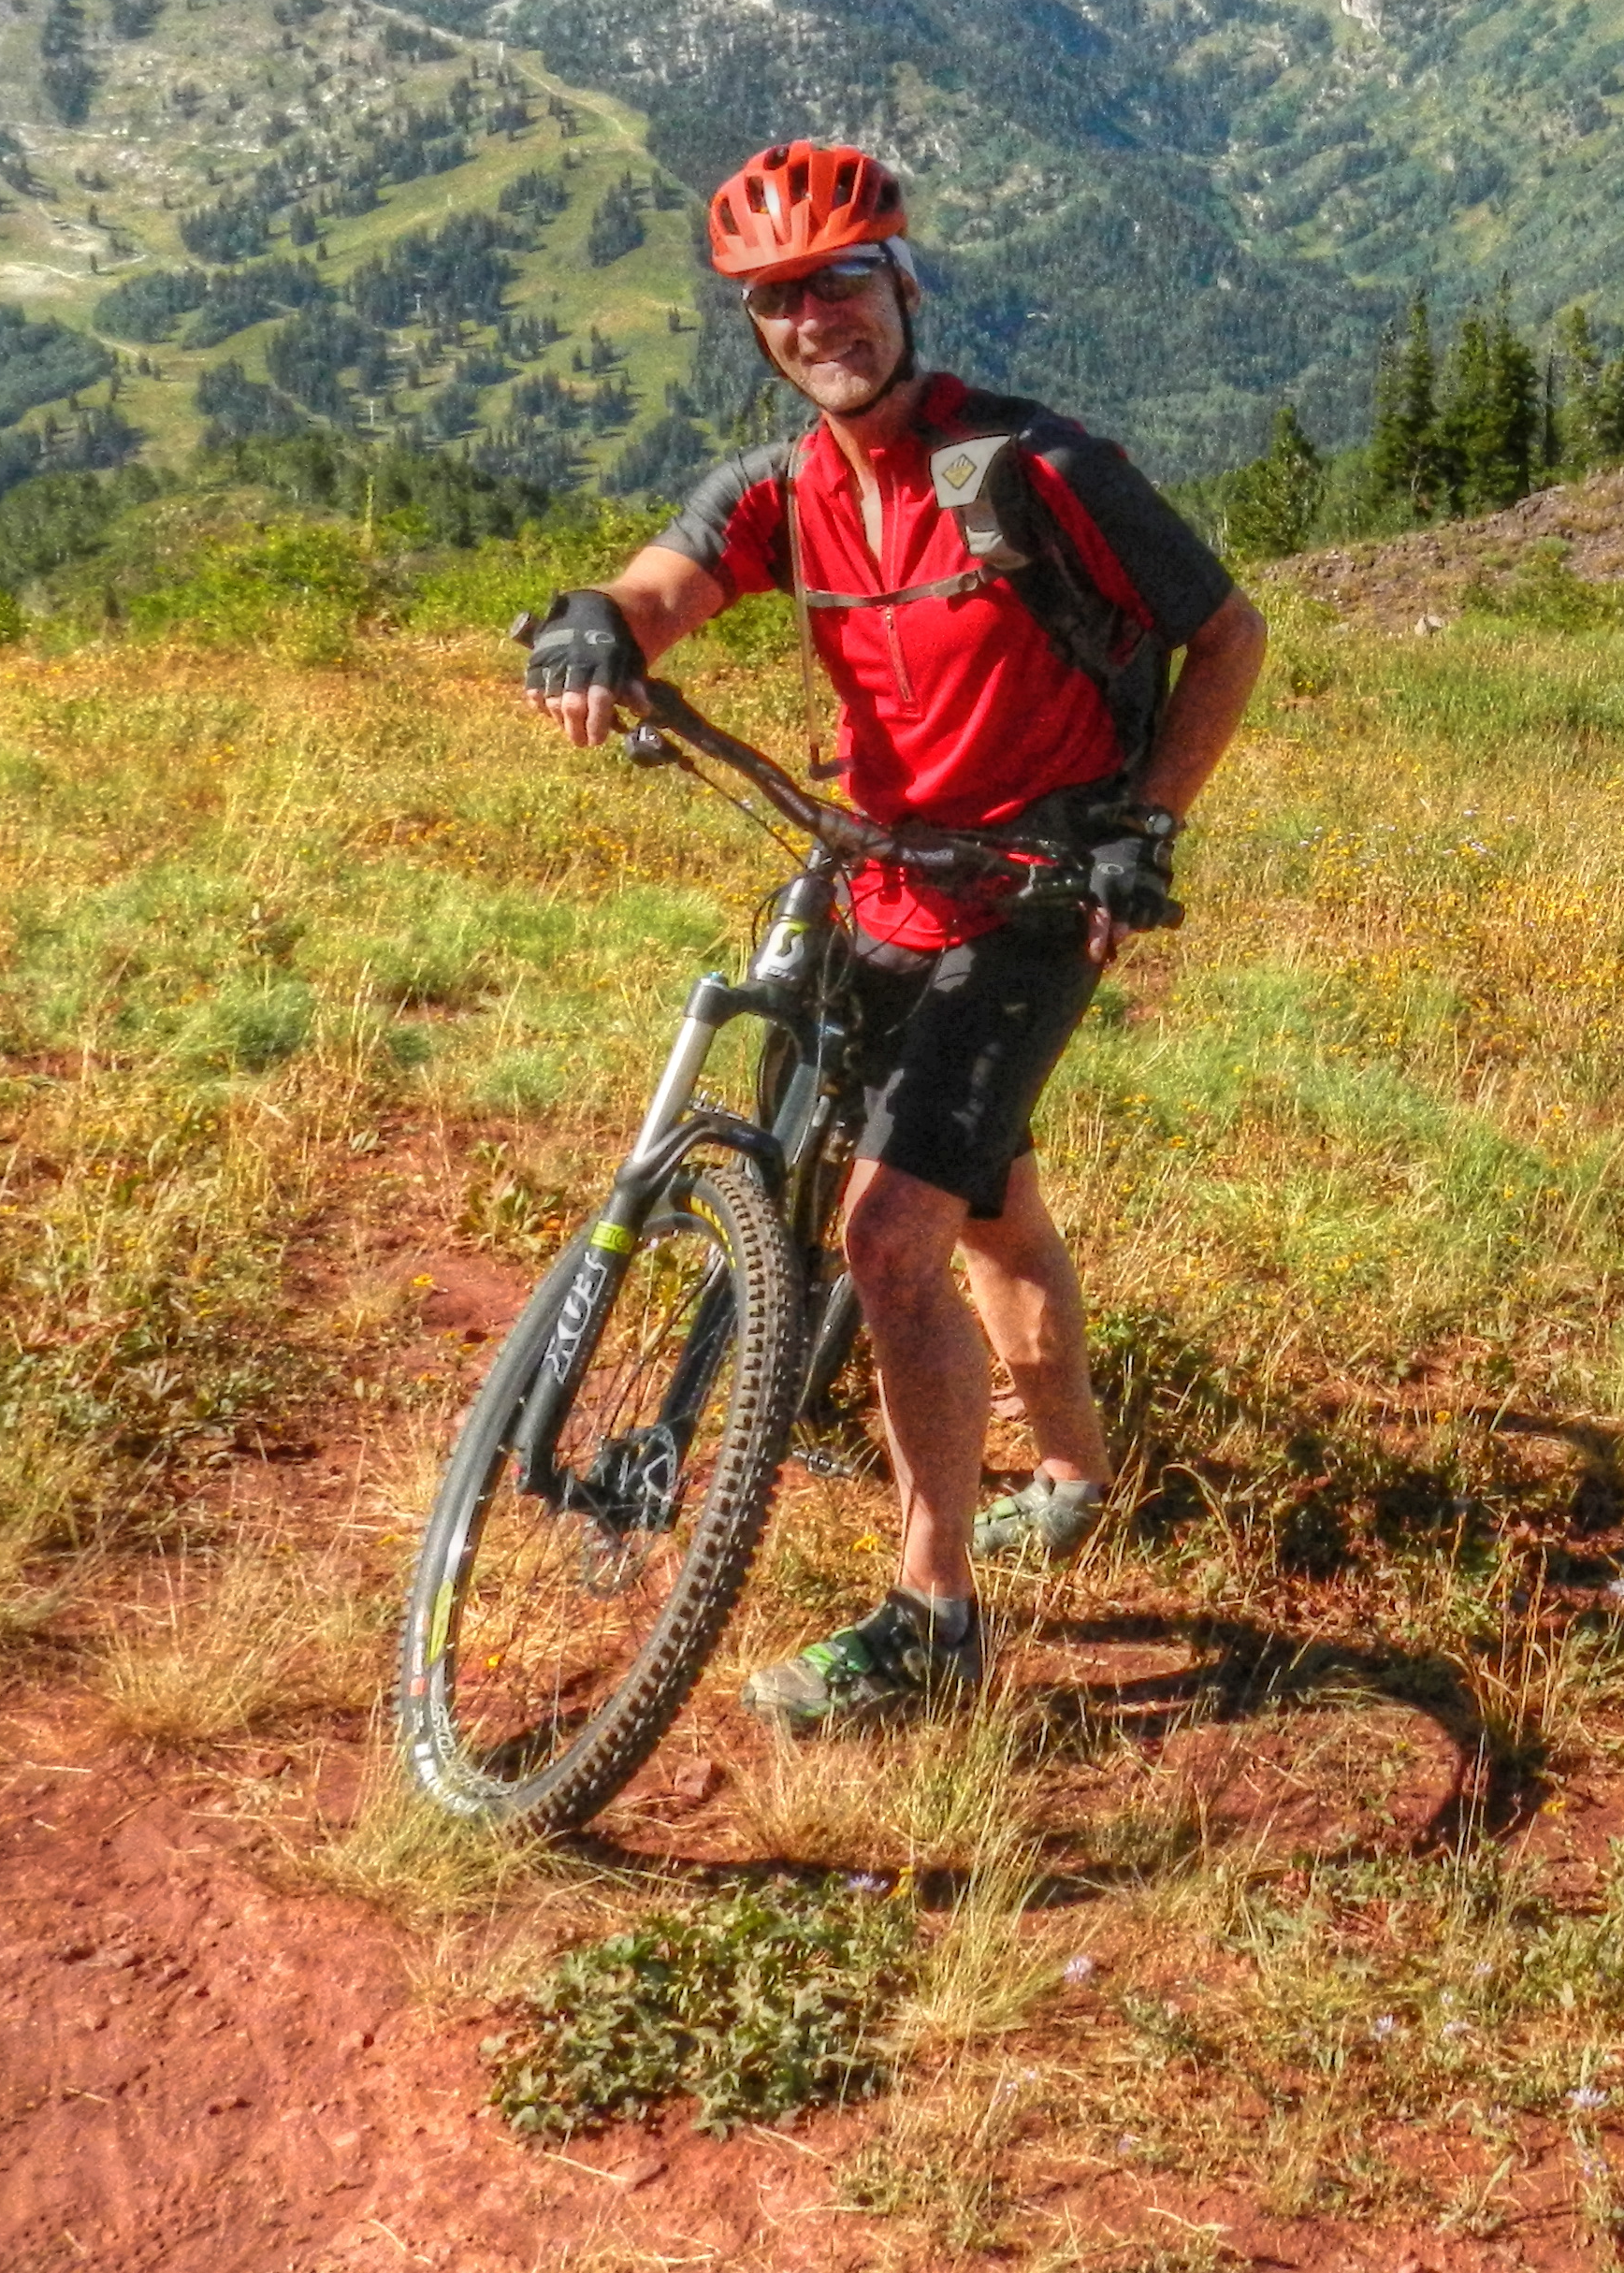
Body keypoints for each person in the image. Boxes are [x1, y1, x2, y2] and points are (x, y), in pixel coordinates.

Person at [520, 140, 1267, 1732]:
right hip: (874, 886)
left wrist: (1147, 823)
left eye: (841, 281)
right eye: (778, 301)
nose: (815, 319)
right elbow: (659, 591)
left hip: (1033, 900)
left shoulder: (1036, 466)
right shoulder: (782, 490)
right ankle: (1068, 1470)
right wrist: (595, 627)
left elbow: (1227, 634)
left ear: (903, 284)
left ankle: (933, 1618)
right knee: (984, 1201)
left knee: (885, 1240)